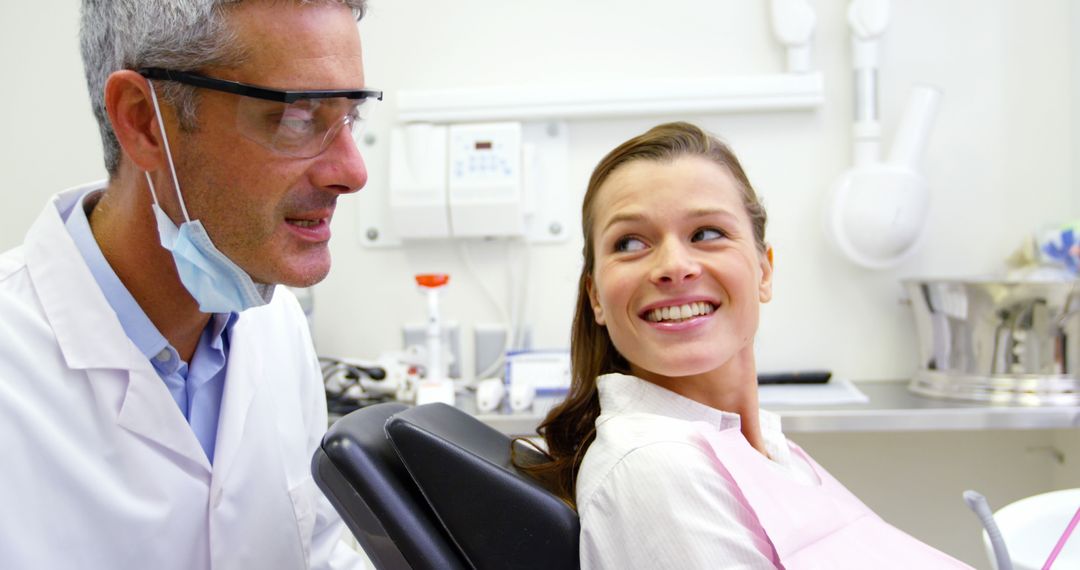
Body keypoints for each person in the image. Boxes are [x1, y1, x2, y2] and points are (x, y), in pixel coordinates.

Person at [0, 1, 379, 568]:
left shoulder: (276, 325)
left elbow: (312, 553)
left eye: (351, 117)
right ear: (144, 122)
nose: (351, 172)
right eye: (298, 116)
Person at [521, 122, 972, 569]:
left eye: (706, 233)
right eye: (631, 242)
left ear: (764, 270)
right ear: (596, 296)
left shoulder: (760, 443)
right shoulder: (655, 466)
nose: (674, 267)